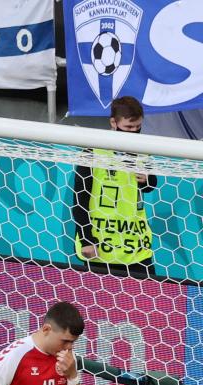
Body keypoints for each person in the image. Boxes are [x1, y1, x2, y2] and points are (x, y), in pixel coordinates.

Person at [72, 96, 157, 277]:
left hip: (136, 245)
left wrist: (147, 180)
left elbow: (150, 186)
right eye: (129, 127)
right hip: (101, 246)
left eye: (138, 126)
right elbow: (80, 198)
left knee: (147, 292)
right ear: (113, 122)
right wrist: (86, 239)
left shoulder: (143, 150)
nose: (134, 131)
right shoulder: (93, 152)